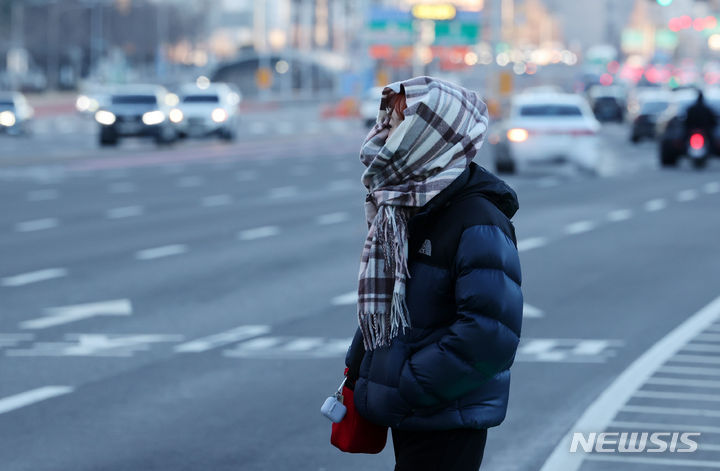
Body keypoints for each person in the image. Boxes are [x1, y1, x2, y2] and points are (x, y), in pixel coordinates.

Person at [344, 76, 523, 471]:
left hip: (445, 411)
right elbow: (392, 305)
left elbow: (489, 335)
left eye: (398, 124)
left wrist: (412, 384)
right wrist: (360, 368)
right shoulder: (409, 206)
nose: (384, 132)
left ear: (427, 135)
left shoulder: (476, 218)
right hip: (415, 409)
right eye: (388, 121)